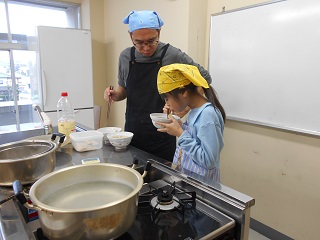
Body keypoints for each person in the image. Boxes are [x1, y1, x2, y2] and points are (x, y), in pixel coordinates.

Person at [104, 10, 212, 162]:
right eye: (139, 43)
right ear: (130, 36)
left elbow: (204, 78)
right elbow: (123, 90)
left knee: (161, 181)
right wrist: (115, 94)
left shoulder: (173, 55)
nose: (146, 48)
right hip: (133, 131)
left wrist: (186, 107)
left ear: (159, 32)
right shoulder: (125, 57)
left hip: (164, 134)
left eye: (151, 41)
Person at [156, 63, 226, 182]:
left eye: (167, 98)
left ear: (183, 92)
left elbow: (208, 161)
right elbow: (194, 138)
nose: (166, 104)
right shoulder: (195, 111)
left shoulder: (208, 116)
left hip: (202, 187)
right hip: (190, 181)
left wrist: (180, 134)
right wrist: (178, 125)